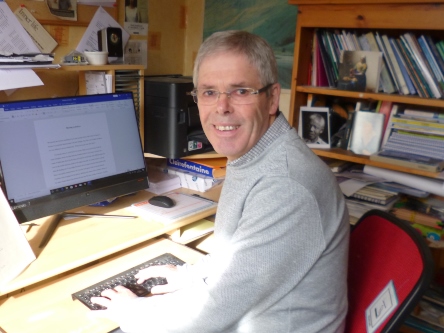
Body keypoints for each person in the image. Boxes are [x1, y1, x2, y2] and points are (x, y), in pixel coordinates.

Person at [90, 30, 350, 333]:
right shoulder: (256, 156)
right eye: (209, 92)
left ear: (271, 99)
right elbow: (238, 254)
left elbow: (209, 314)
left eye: (240, 91)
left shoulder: (284, 184)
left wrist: (132, 311)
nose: (221, 107)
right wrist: (190, 276)